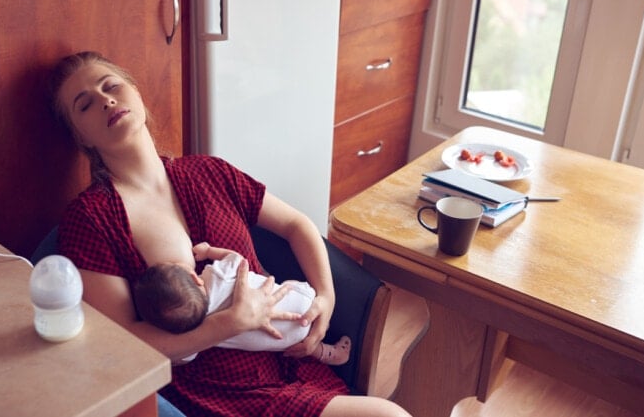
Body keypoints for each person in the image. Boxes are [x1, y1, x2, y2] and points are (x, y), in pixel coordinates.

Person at [50, 51, 412, 417]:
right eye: (85, 105)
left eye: (111, 86)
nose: (106, 100)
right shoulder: (91, 219)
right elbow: (124, 345)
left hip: (290, 364)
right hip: (214, 396)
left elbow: (296, 224)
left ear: (136, 93)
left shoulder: (209, 172)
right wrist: (228, 324)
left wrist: (326, 298)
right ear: (81, 138)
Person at [133, 242, 352, 365]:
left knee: (285, 339)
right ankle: (322, 348)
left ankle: (324, 352)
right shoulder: (215, 276)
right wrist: (209, 251)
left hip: (285, 344)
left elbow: (181, 357)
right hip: (304, 303)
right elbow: (238, 259)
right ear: (194, 277)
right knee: (282, 285)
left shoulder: (197, 334)